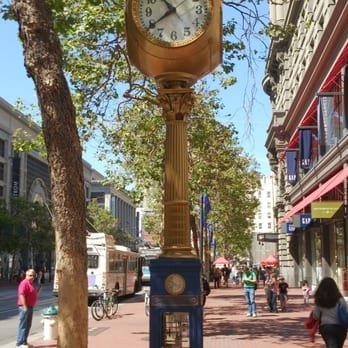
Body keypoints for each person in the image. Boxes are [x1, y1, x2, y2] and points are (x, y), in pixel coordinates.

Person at [313, 277, 347, 348]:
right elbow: (346, 311)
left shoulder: (319, 299)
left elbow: (316, 316)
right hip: (341, 327)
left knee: (331, 345)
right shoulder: (340, 299)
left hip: (326, 327)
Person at [16, 269, 40, 348]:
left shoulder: (31, 283)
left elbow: (33, 293)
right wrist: (25, 306)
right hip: (25, 307)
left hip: (30, 307)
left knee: (28, 325)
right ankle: (20, 343)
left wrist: (38, 291)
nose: (32, 277)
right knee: (23, 325)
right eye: (30, 275)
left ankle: (24, 341)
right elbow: (21, 294)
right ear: (26, 275)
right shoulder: (24, 283)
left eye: (33, 275)